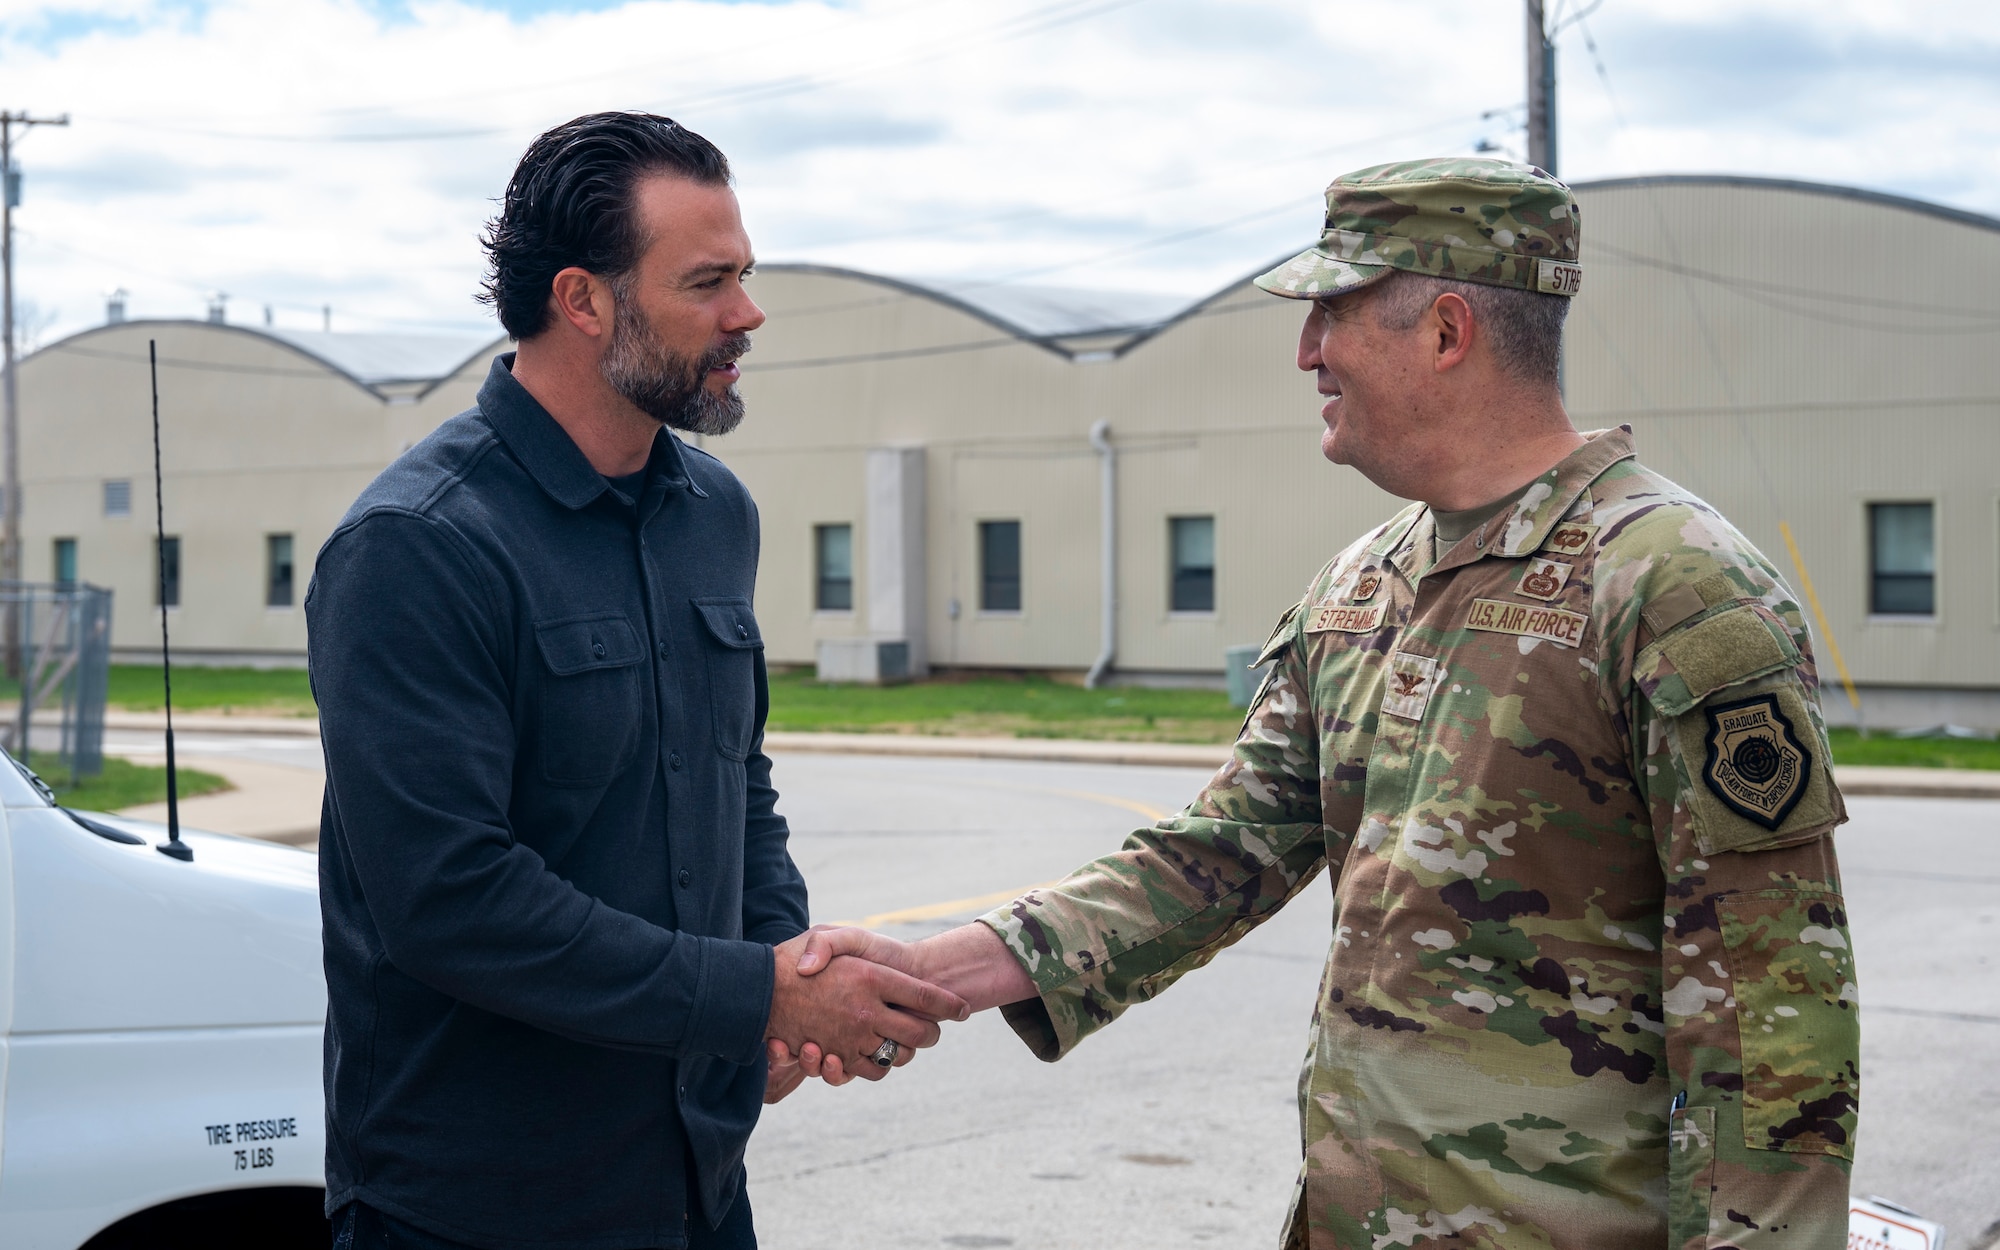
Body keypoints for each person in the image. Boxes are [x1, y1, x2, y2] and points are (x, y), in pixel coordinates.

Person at [790, 158, 1860, 1249]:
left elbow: (1771, 1007)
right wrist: (937, 968)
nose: (1305, 352)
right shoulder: (1360, 586)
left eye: (1331, 313)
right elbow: (1217, 852)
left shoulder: (1673, 585)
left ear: (1445, 331)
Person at [308, 111, 966, 1250]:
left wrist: (781, 958)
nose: (747, 315)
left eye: (745, 276)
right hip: (479, 1204)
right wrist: (756, 991)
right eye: (708, 282)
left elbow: (733, 781)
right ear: (583, 300)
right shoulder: (416, 545)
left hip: (697, 1181)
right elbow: (450, 899)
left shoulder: (715, 513)